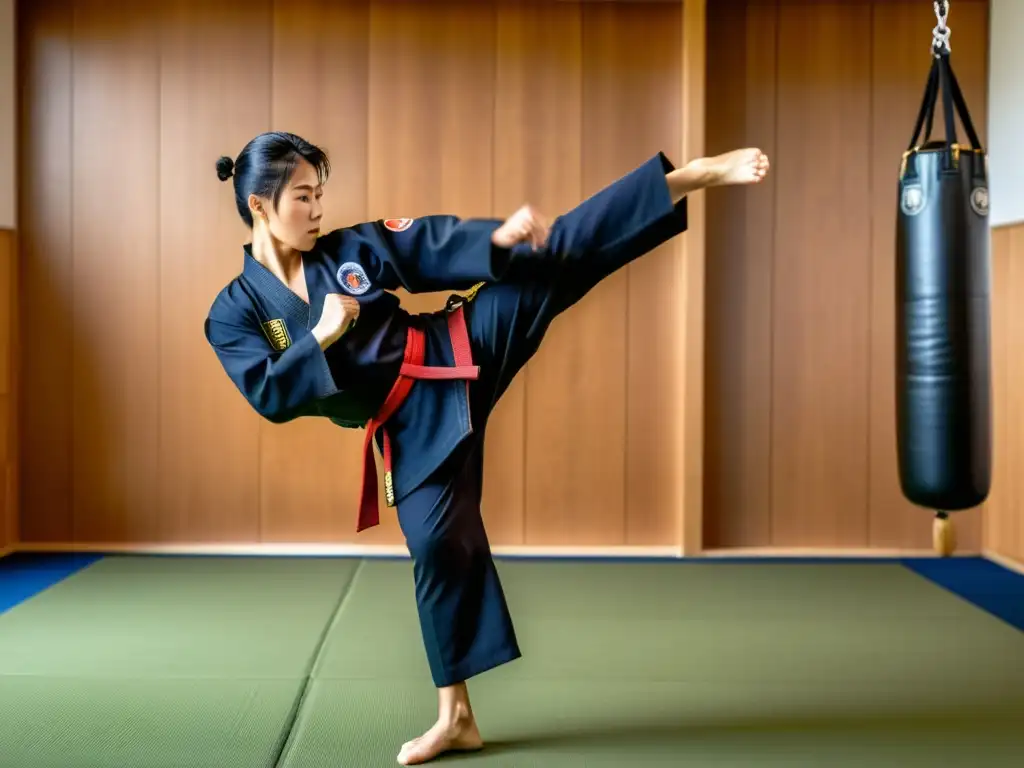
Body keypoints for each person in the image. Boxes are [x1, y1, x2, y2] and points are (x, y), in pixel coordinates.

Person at [205, 131, 769, 765]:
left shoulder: (348, 250)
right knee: (437, 547)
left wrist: (495, 240)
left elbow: (421, 244)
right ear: (260, 205)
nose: (317, 210)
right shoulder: (233, 312)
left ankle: (686, 178)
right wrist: (323, 338)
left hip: (457, 349)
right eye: (303, 197)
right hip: (409, 424)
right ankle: (457, 719)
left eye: (319, 194)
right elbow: (271, 395)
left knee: (548, 265)